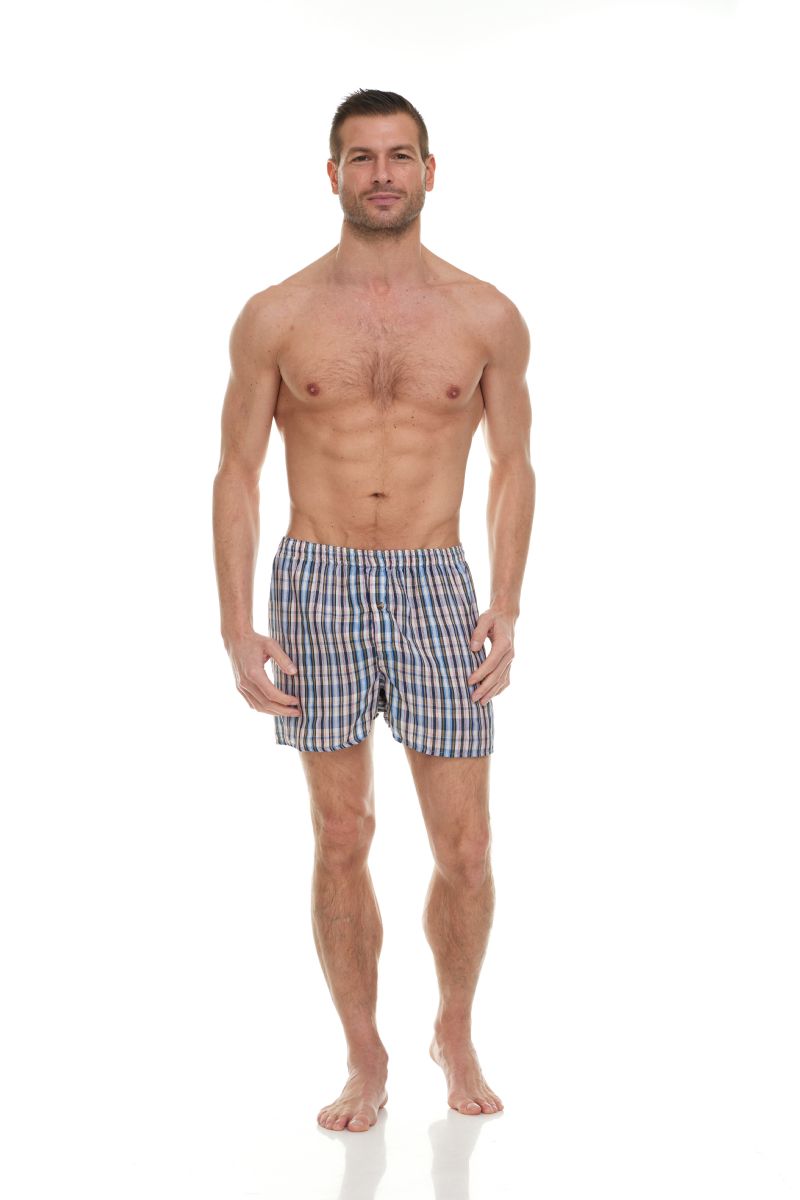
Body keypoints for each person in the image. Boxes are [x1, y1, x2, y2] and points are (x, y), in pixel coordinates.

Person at [212, 88, 535, 1133]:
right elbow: (235, 471)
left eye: (400, 156)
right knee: (341, 831)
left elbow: (514, 465)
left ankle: (454, 1027)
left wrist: (507, 600)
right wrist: (234, 624)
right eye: (362, 157)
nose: (382, 173)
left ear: (430, 172)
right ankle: (364, 1055)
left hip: (437, 583)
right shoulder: (277, 314)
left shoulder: (485, 314)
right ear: (333, 175)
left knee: (466, 848)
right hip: (317, 579)